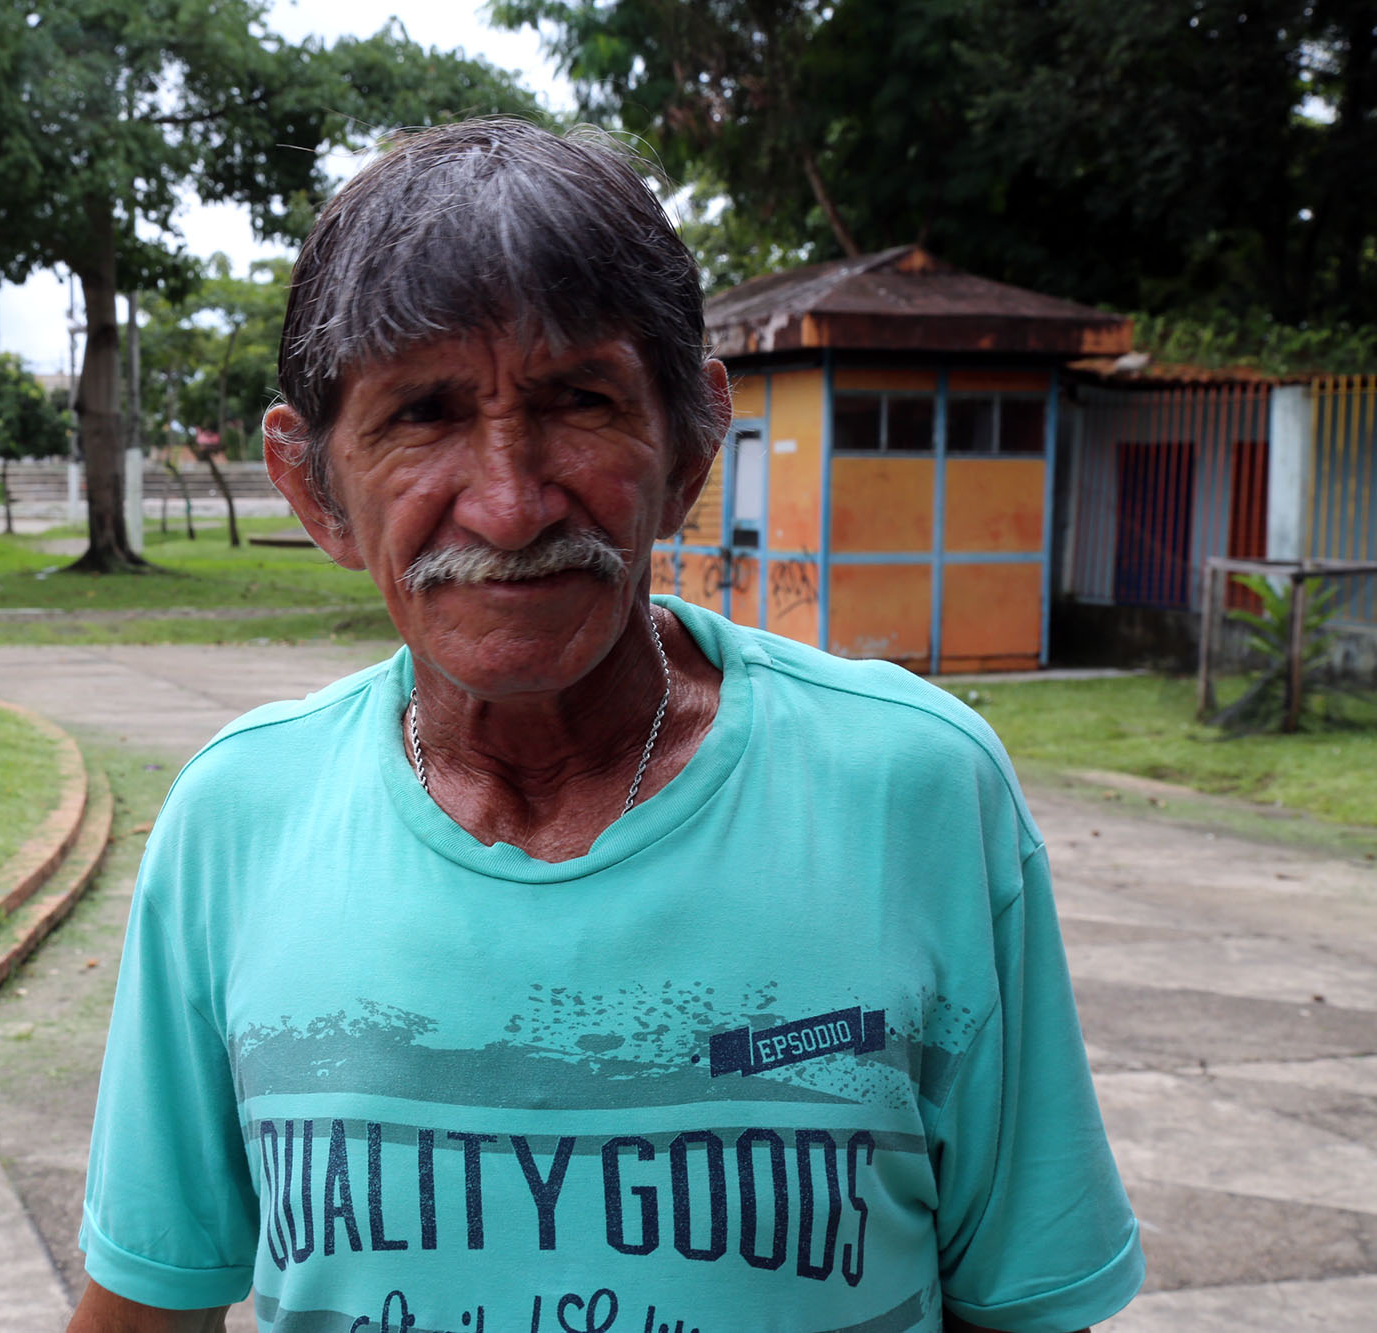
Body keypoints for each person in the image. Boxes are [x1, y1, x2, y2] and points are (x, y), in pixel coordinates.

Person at [72, 120, 1142, 1333]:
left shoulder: (913, 789)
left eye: (576, 400)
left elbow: (1023, 1305)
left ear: (690, 440)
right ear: (313, 484)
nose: (510, 502)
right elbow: (144, 1310)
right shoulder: (239, 819)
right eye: (421, 414)